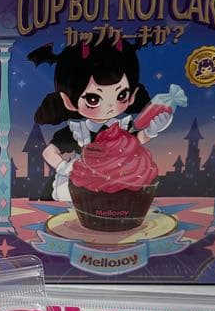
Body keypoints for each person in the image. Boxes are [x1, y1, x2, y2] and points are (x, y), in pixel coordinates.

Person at [29, 38, 186, 202]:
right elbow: (48, 152)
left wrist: (151, 131)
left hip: (118, 177)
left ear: (132, 95)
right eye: (93, 99)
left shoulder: (123, 126)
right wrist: (67, 168)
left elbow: (136, 140)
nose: (110, 107)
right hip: (85, 181)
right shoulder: (78, 131)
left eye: (121, 95)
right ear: (68, 101)